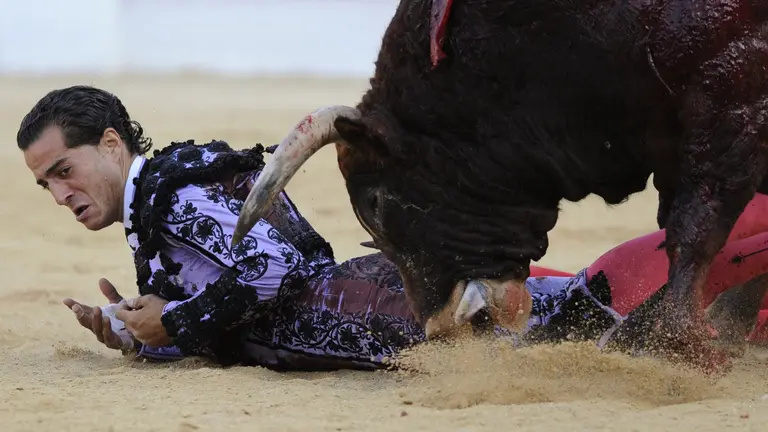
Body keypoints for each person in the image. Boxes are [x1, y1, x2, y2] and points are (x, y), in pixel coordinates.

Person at [18, 85, 768, 374]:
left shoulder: (169, 196)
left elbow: (277, 269)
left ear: (112, 143)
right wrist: (133, 329)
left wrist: (175, 317)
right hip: (358, 296)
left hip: (359, 308)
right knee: (557, 311)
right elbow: (235, 284)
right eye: (45, 182)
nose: (60, 194)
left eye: (65, 169)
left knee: (570, 323)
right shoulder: (170, 186)